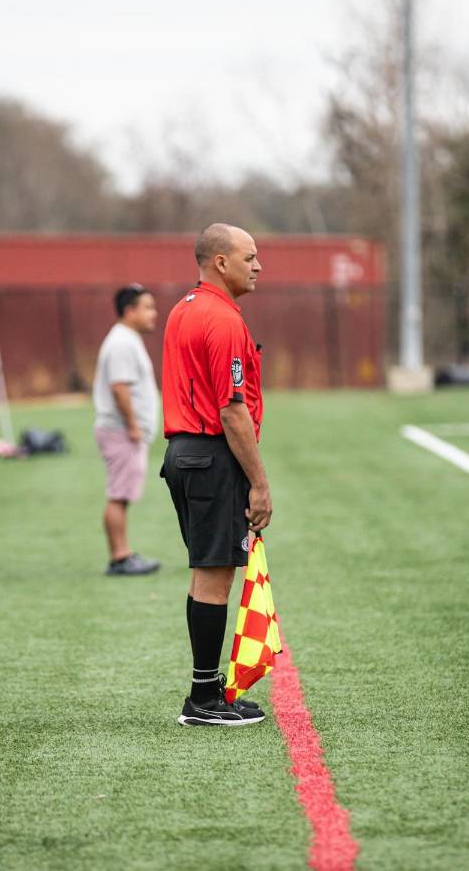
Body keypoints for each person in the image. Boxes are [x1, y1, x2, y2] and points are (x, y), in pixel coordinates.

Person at [160, 223, 270, 727]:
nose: (258, 266)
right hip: (210, 456)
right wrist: (260, 483)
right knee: (213, 576)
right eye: (249, 257)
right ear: (220, 262)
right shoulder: (222, 318)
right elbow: (232, 409)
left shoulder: (183, 308)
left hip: (183, 454)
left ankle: (207, 689)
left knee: (206, 573)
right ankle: (203, 699)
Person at [93, 283, 162, 576]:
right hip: (121, 431)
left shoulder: (127, 339)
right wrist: (133, 426)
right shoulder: (122, 342)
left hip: (125, 430)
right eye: (147, 308)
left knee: (121, 494)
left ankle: (122, 554)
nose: (154, 313)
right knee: (119, 494)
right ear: (129, 310)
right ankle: (120, 557)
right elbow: (119, 387)